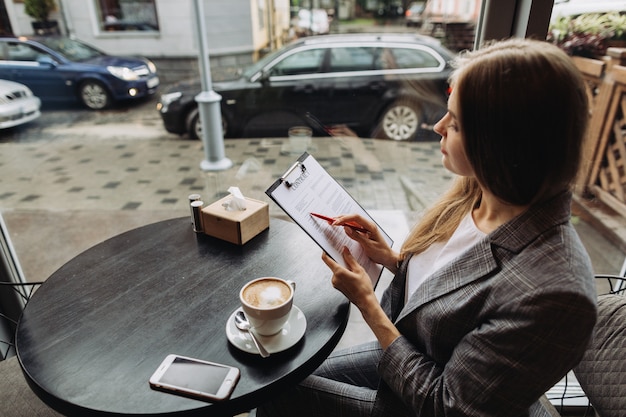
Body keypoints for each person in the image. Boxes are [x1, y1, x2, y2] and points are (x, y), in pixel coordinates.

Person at [256, 37, 598, 417]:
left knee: (275, 394)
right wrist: (390, 257)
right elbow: (452, 287)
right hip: (412, 349)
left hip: (419, 398)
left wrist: (369, 307)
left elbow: (446, 406)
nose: (437, 127)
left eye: (456, 123)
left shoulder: (555, 294)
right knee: (281, 378)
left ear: (503, 143)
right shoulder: (482, 190)